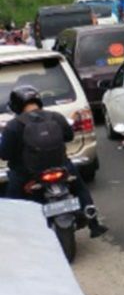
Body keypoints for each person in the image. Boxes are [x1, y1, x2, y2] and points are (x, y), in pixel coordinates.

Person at [0, 86, 108, 237]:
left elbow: (5, 154)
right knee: (80, 188)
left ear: (16, 106)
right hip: (62, 166)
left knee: (13, 199)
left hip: (27, 174)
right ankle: (94, 223)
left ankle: (17, 235)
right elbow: (69, 137)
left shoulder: (13, 126)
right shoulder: (56, 117)